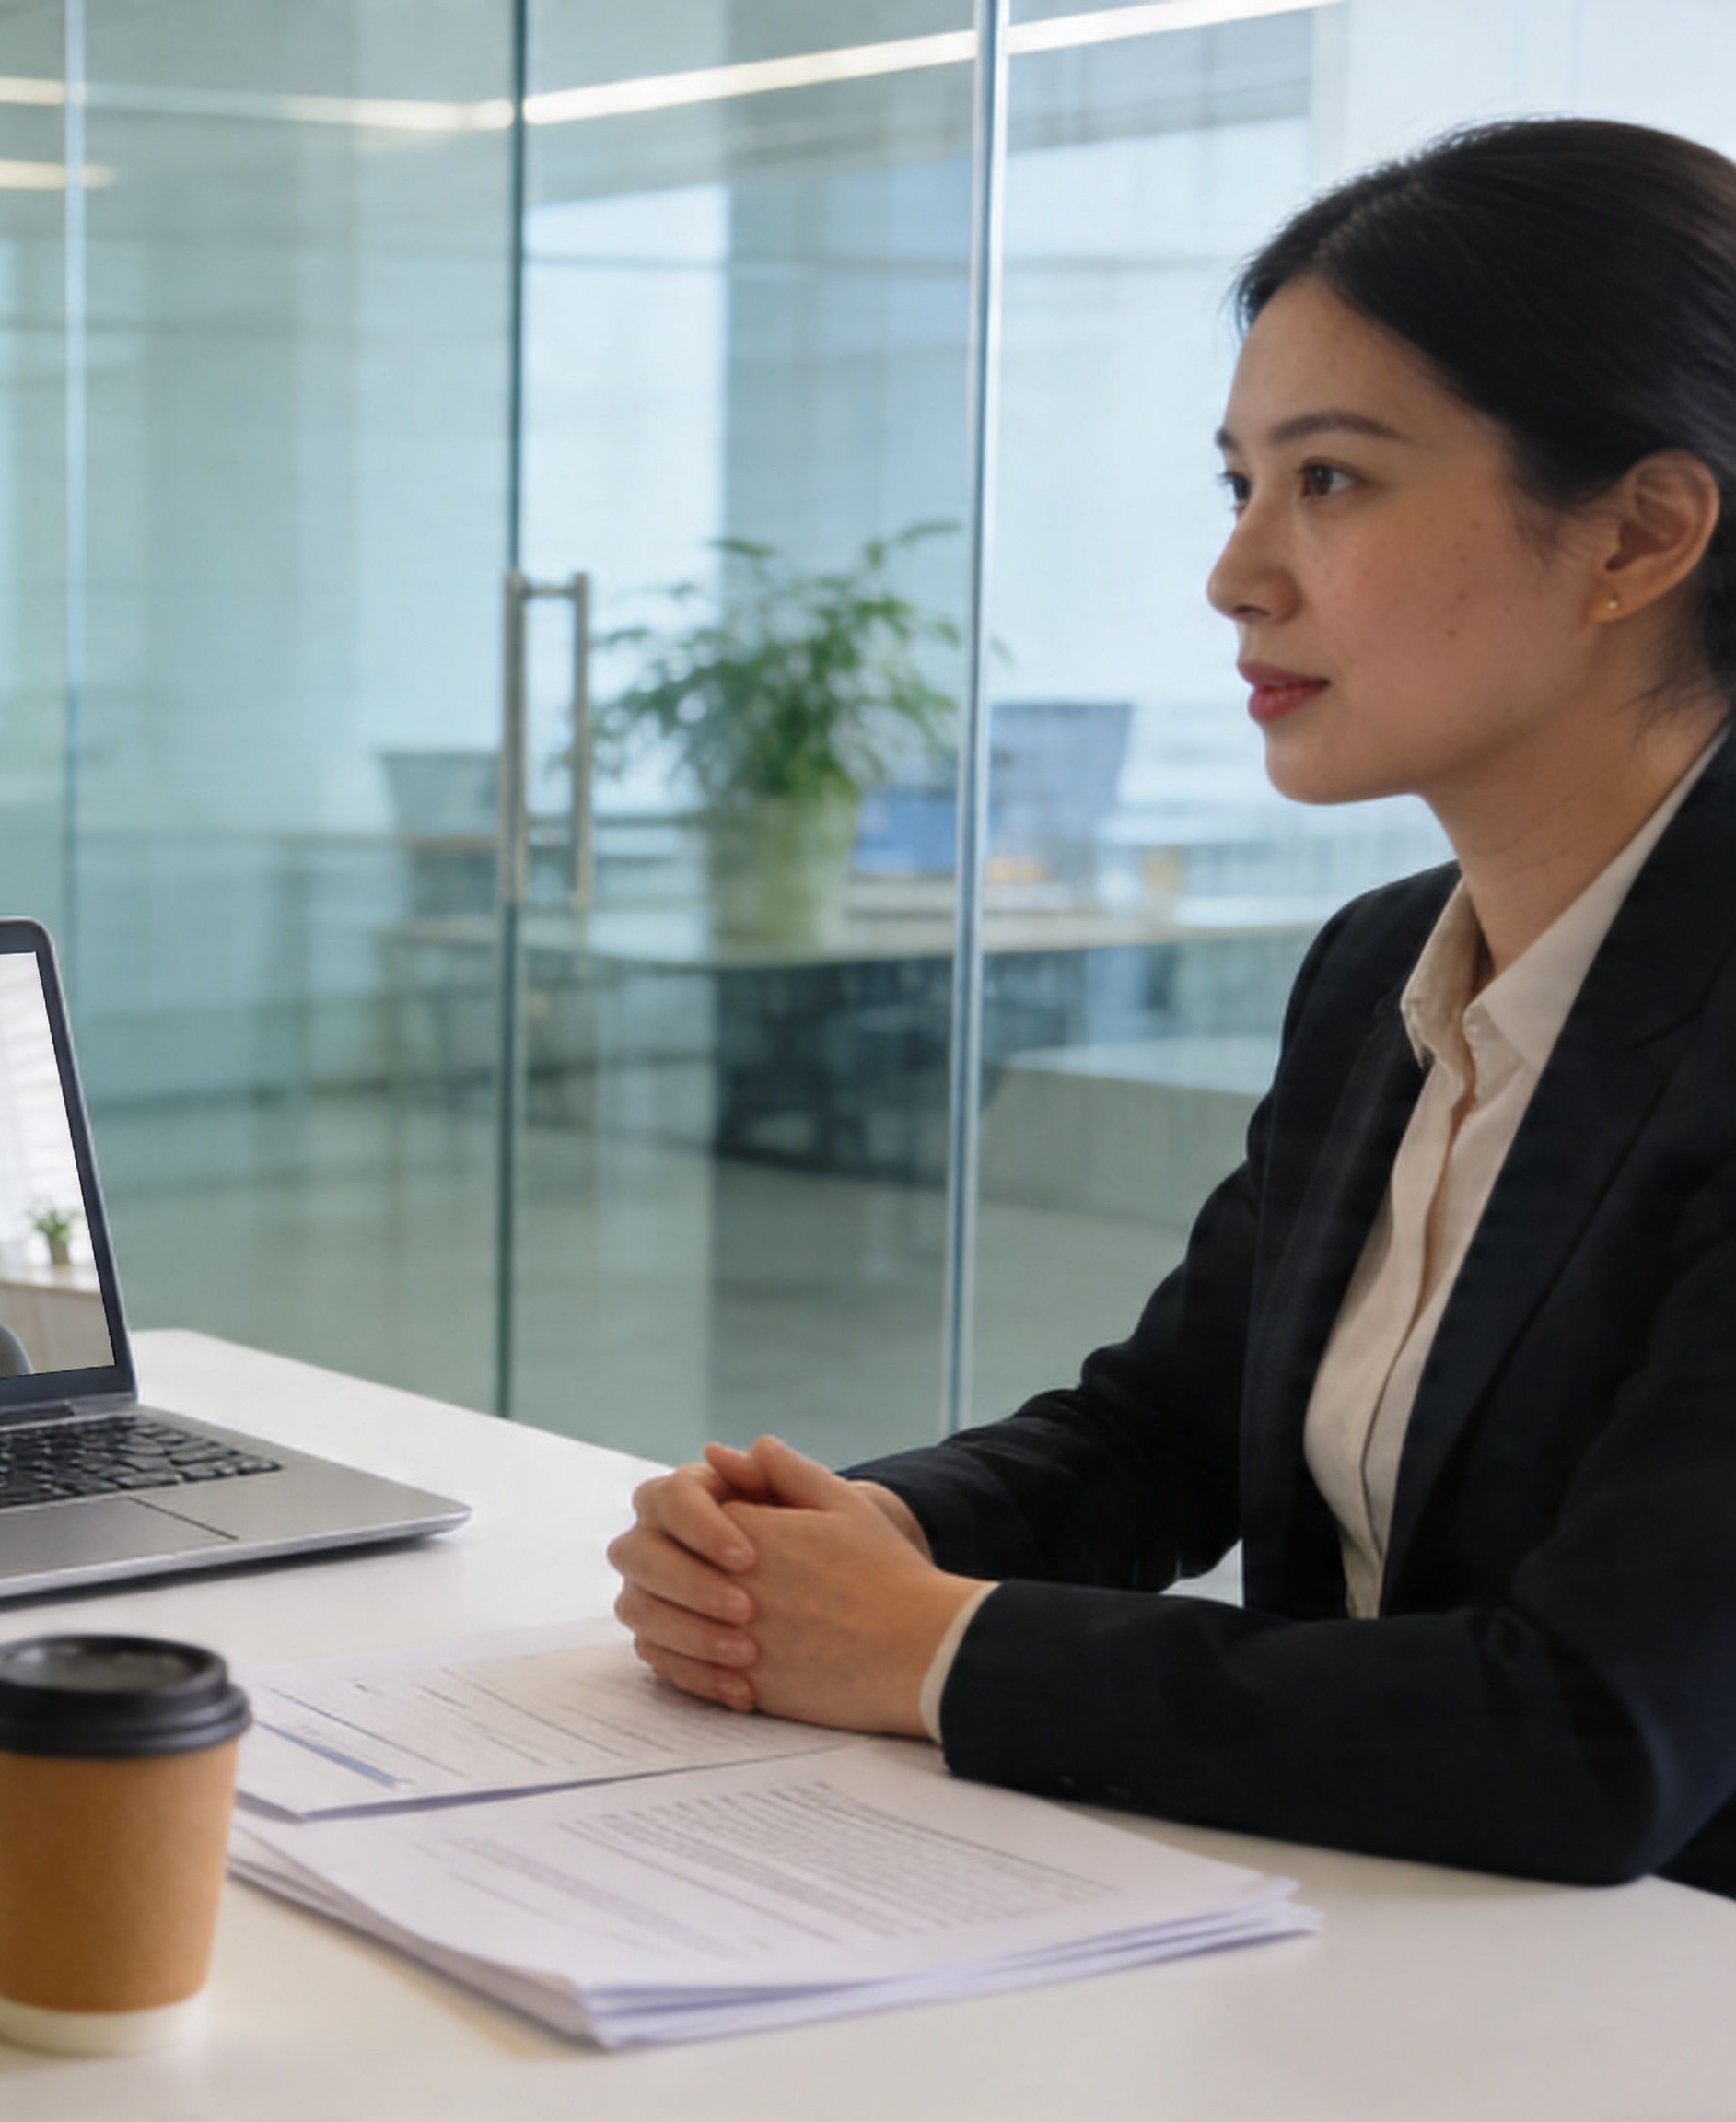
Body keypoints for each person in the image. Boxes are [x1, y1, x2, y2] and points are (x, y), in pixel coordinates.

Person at [608, 117, 1736, 1898]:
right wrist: (853, 1535)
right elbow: (1166, 1429)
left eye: (1331, 479)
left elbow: (1599, 1732)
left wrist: (926, 1644)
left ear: (1639, 534)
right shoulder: (1381, 965)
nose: (1238, 574)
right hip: (1370, 1938)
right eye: (1239, 485)